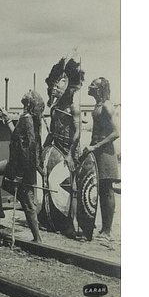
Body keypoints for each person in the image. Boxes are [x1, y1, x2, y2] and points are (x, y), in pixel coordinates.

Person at [43, 57, 84, 238]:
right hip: (56, 148)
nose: (56, 87)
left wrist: (69, 154)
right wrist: (44, 150)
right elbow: (52, 132)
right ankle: (54, 219)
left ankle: (71, 225)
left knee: (72, 186)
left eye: (60, 84)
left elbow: (77, 133)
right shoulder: (54, 108)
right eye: (55, 84)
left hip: (70, 150)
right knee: (52, 184)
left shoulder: (73, 107)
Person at [0, 90, 45, 242]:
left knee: (27, 201)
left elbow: (28, 148)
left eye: (30, 93)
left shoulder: (26, 119)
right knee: (27, 201)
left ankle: (37, 238)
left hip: (22, 167)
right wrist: (8, 121)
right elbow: (18, 138)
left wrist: (20, 173)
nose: (28, 92)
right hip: (23, 166)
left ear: (29, 103)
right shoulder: (29, 118)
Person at [83, 77, 120, 241]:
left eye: (92, 85)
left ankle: (107, 231)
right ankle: (102, 228)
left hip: (105, 152)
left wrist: (96, 147)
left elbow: (116, 133)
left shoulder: (107, 105)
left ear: (99, 89)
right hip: (96, 150)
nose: (88, 86)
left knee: (107, 190)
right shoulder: (97, 106)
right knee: (98, 189)